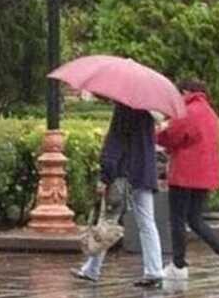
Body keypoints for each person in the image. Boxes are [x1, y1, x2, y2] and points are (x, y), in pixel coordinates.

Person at [71, 103, 166, 288]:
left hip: (123, 174)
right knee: (147, 222)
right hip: (144, 173)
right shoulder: (148, 112)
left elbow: (115, 144)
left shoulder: (124, 109)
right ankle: (154, 271)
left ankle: (92, 270)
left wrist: (105, 176)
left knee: (108, 221)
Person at [157, 80, 219, 280]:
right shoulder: (209, 112)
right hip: (205, 175)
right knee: (194, 218)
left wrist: (158, 131)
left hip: (184, 174)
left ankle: (178, 265)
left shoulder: (187, 110)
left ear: (185, 91)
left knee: (176, 219)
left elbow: (173, 136)